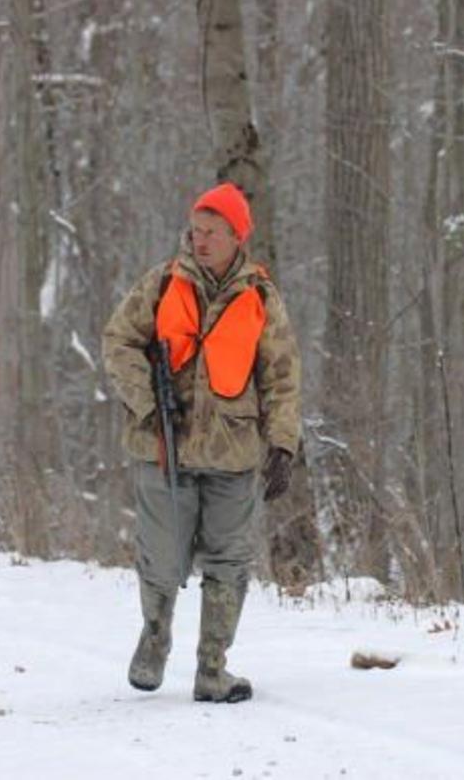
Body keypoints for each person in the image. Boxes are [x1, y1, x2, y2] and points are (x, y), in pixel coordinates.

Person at [101, 182, 302, 703]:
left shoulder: (260, 296)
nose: (201, 239)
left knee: (230, 563)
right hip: (163, 448)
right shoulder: (164, 282)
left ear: (238, 236)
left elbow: (281, 376)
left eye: (213, 231)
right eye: (197, 230)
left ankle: (213, 668)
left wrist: (282, 444)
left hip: (233, 455)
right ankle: (154, 639)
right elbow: (117, 339)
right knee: (160, 557)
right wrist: (145, 403)